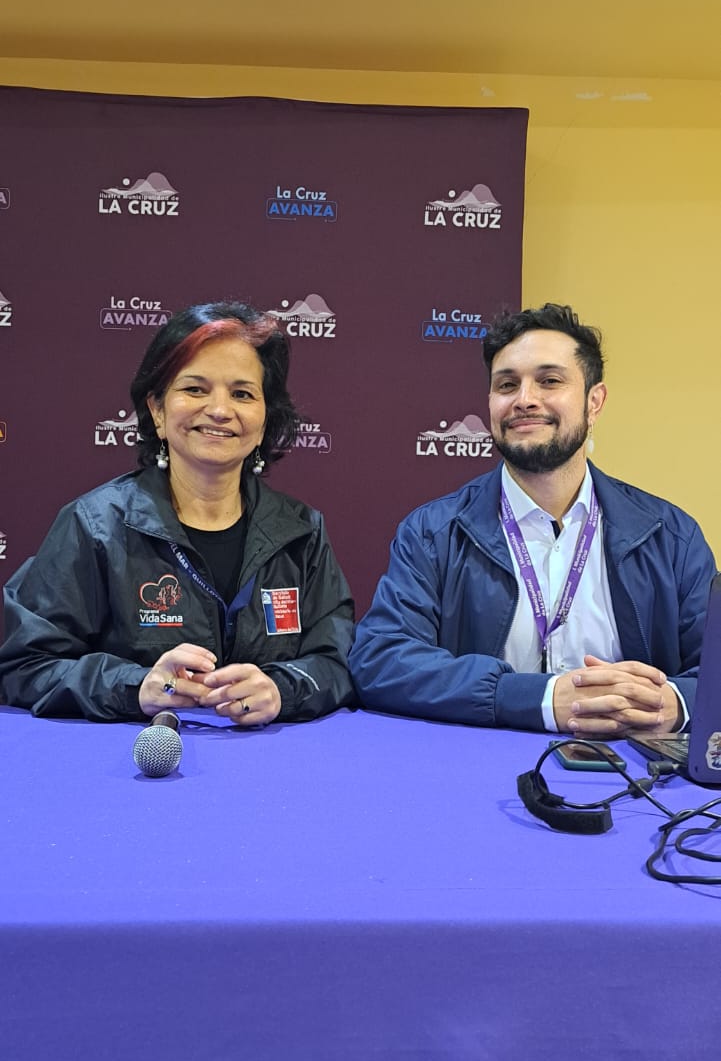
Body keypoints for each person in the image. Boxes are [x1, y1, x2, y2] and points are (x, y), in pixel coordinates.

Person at [350, 303, 716, 737]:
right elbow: (381, 660)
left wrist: (674, 703)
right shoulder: (433, 532)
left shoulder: (671, 536)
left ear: (594, 402)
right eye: (507, 384)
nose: (524, 399)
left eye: (549, 381)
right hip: (476, 764)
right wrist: (537, 698)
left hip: (633, 769)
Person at [0, 301, 354, 724]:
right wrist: (135, 687)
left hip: (269, 763)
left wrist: (283, 689)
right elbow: (25, 666)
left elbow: (336, 663)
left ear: (264, 420)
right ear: (157, 409)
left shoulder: (302, 532)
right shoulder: (94, 526)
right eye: (195, 389)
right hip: (132, 759)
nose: (219, 410)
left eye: (242, 394)